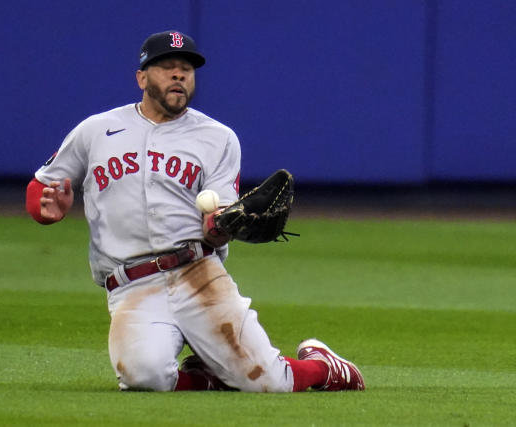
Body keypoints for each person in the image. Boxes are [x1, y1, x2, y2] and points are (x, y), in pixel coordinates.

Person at [26, 30, 365, 392]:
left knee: (268, 383)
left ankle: (324, 367)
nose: (179, 75)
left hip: (197, 274)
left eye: (186, 69)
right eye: (167, 67)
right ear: (141, 77)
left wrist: (222, 226)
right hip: (133, 285)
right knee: (145, 377)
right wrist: (46, 209)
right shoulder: (96, 131)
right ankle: (208, 376)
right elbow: (41, 185)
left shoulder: (217, 137)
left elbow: (215, 220)